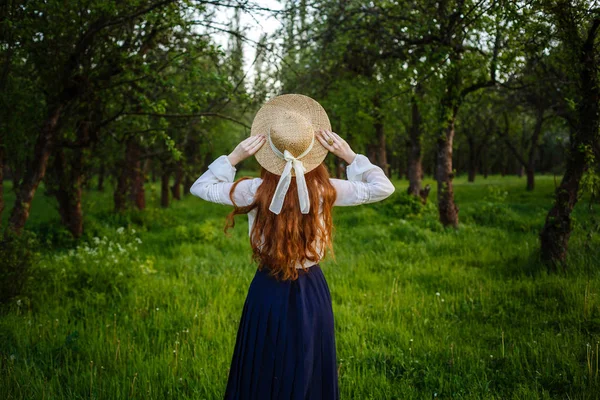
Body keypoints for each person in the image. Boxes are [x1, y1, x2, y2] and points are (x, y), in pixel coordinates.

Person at [190, 94, 395, 400]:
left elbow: (200, 187)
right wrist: (351, 156)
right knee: (308, 363)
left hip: (267, 287)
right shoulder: (327, 190)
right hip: (311, 288)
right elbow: (383, 187)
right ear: (313, 151)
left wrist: (232, 157)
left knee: (264, 364)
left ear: (267, 153)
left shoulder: (253, 191)